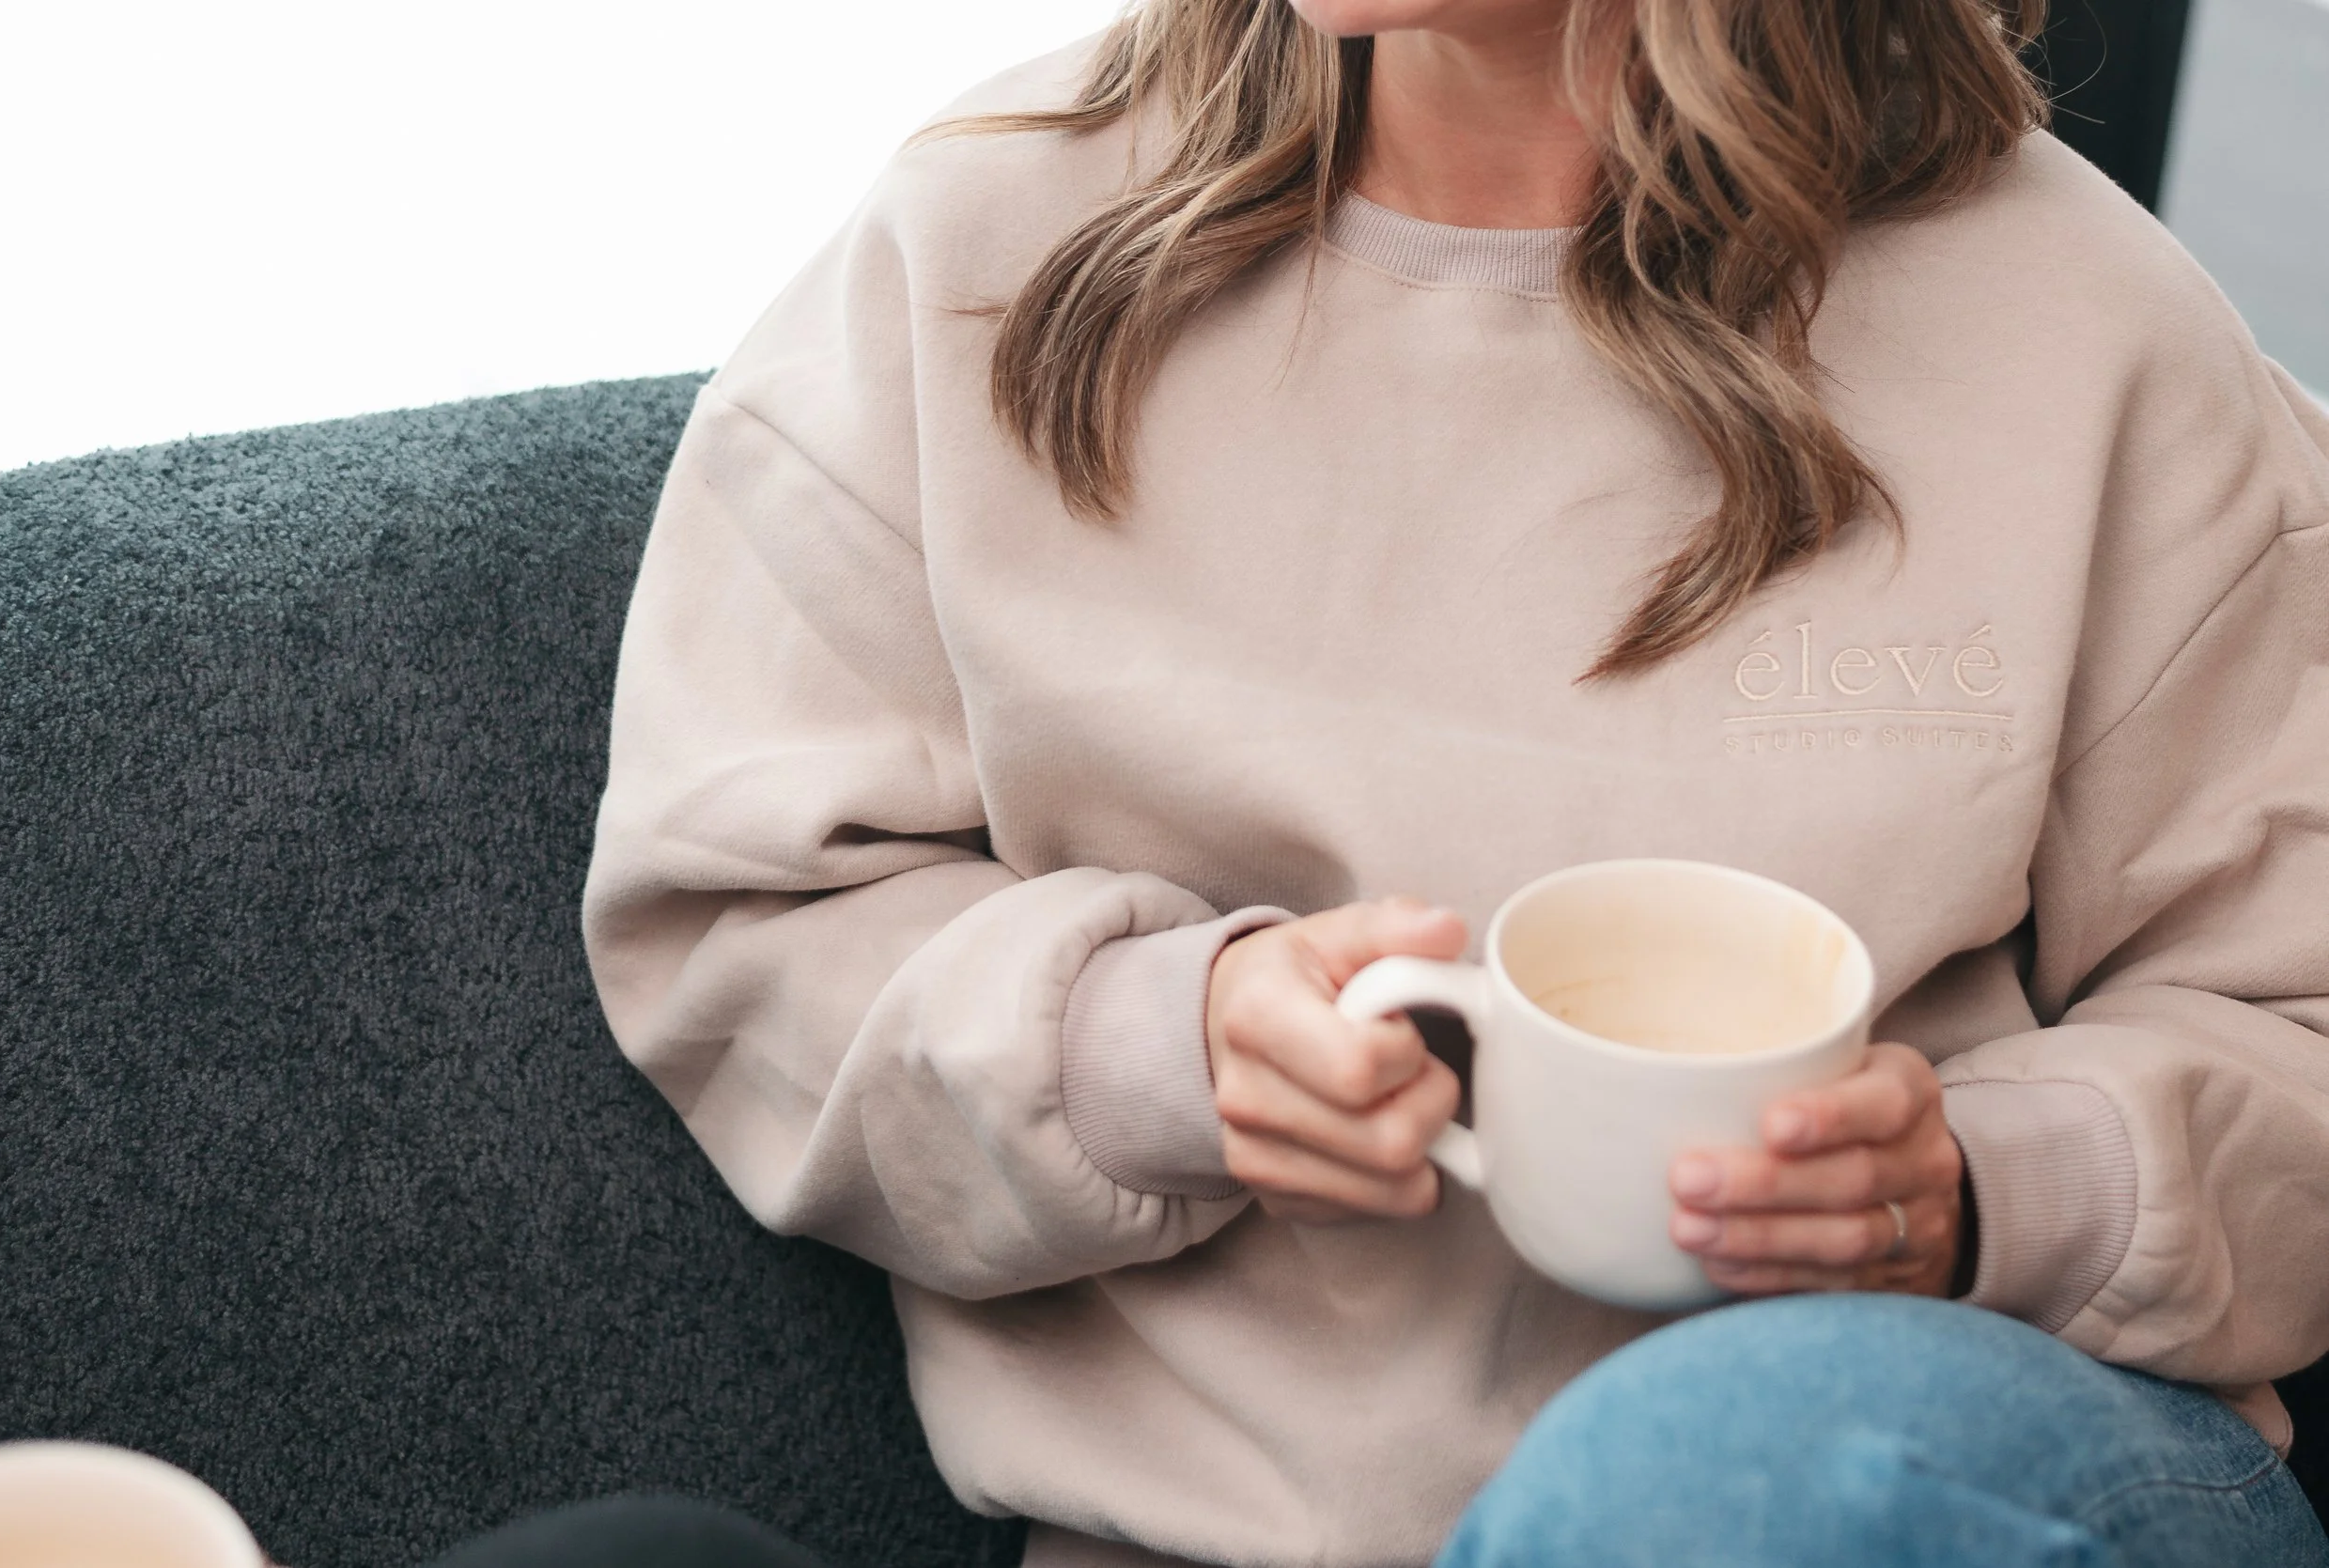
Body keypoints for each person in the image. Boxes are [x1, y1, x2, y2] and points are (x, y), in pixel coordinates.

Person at [576, 0, 2329, 1562]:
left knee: (1713, 1472)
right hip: (1214, 1536)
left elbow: (2294, 1014)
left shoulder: (2094, 331)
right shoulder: (971, 247)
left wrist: (1980, 1192)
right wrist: (1148, 1049)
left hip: (1941, 1473)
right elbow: (737, 918)